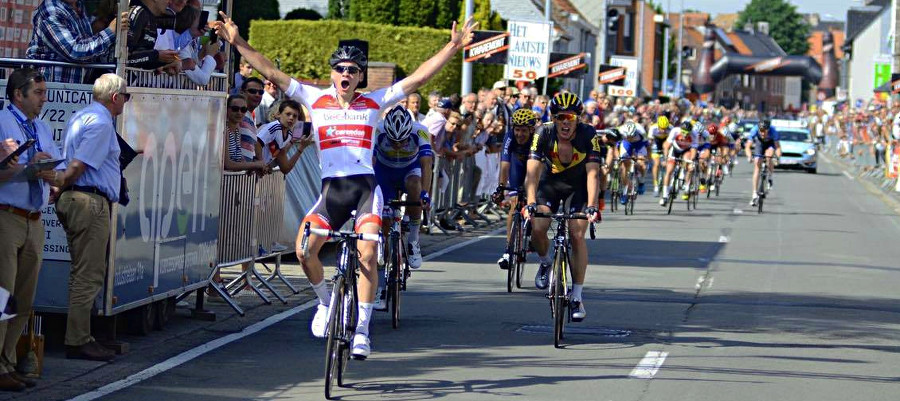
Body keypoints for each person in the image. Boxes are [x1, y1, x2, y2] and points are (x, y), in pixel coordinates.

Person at [213, 11, 477, 359]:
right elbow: (270, 71)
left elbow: (416, 79)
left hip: (367, 188)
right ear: (332, 74)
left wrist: (452, 47)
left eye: (353, 70)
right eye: (340, 69)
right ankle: (325, 303)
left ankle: (364, 330)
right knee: (304, 249)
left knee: (368, 252)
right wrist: (237, 42)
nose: (346, 74)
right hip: (332, 191)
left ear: (360, 76)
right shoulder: (313, 97)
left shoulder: (375, 101)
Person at [47, 74, 130, 362]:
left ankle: (80, 335)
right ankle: (78, 339)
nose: (126, 101)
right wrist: (61, 185)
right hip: (88, 200)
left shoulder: (82, 115)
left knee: (82, 273)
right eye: (126, 96)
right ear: (115, 98)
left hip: (79, 197)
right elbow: (79, 164)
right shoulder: (102, 123)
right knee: (89, 274)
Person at [0, 68, 65, 391]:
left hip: (34, 219)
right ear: (18, 95)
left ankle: (7, 360)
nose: (44, 98)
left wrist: (53, 177)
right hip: (6, 215)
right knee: (3, 296)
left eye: (44, 91)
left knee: (24, 299)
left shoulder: (40, 126)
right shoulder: (2, 122)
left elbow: (59, 165)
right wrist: (27, 167)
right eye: (38, 92)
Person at [522, 93, 601, 322]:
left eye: (570, 117)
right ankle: (546, 263)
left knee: (577, 234)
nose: (565, 122)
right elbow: (533, 169)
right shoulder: (543, 132)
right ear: (553, 119)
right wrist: (529, 202)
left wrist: (593, 206)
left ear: (578, 118)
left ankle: (576, 296)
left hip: (579, 187)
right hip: (550, 184)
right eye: (560, 117)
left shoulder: (588, 134)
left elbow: (593, 173)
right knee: (538, 226)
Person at [373, 105, 434, 273]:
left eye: (402, 140)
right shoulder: (377, 130)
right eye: (393, 141)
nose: (398, 145)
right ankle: (383, 245)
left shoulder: (420, 131)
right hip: (385, 171)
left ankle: (413, 239)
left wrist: (425, 194)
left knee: (415, 185)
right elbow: (370, 162)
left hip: (409, 169)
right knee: (385, 219)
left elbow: (427, 165)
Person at [26, 0, 129, 83]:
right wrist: (110, 31)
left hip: (75, 92)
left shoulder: (78, 6)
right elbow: (74, 51)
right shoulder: (51, 10)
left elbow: (85, 43)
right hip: (52, 91)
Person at [493, 108, 537, 269]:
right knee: (514, 202)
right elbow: (505, 165)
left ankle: (532, 232)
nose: (519, 134)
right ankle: (508, 248)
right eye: (517, 129)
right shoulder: (509, 137)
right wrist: (501, 188)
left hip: (535, 168)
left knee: (535, 199)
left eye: (524, 130)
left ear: (532, 130)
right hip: (517, 166)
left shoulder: (538, 138)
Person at [257, 100, 313, 175]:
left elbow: (284, 166)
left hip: (256, 173)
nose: (291, 118)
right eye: (288, 114)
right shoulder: (274, 127)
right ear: (278, 114)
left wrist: (301, 147)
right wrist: (260, 163)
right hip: (250, 167)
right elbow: (257, 142)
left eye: (295, 116)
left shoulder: (289, 135)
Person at [128, 0, 180, 71]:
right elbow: (124, 59)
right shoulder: (139, 13)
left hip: (128, 78)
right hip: (116, 77)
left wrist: (166, 62)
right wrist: (157, 55)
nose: (170, 2)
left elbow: (142, 61)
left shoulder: (151, 18)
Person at [659, 120, 698, 206]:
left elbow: (693, 149)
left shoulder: (694, 134)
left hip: (686, 150)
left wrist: (692, 161)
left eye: (687, 133)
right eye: (683, 132)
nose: (685, 135)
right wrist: (665, 158)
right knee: (669, 170)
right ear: (680, 130)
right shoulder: (675, 131)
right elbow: (666, 145)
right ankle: (665, 196)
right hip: (675, 150)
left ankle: (686, 184)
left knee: (688, 164)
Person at [745, 119, 781, 206]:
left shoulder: (774, 131)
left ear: (768, 130)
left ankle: (770, 176)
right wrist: (749, 156)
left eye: (765, 131)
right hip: (759, 144)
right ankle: (754, 193)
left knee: (769, 156)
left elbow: (778, 148)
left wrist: (777, 158)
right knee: (757, 165)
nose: (763, 133)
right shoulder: (754, 130)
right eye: (761, 131)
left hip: (770, 144)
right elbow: (747, 146)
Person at [615, 120, 649, 204]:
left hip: (639, 144)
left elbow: (648, 146)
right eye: (628, 136)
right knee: (624, 167)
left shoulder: (641, 132)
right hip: (626, 144)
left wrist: (647, 158)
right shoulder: (621, 131)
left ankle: (641, 182)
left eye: (632, 136)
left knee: (642, 165)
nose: (630, 138)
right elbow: (616, 147)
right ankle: (625, 192)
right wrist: (619, 157)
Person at [648, 115, 671, 195]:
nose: (664, 130)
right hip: (656, 144)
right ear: (658, 126)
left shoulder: (671, 128)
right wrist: (649, 153)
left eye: (665, 128)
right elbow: (650, 142)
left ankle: (669, 183)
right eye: (662, 128)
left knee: (669, 163)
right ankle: (656, 184)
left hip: (666, 143)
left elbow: (672, 143)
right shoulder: (653, 128)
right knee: (656, 164)